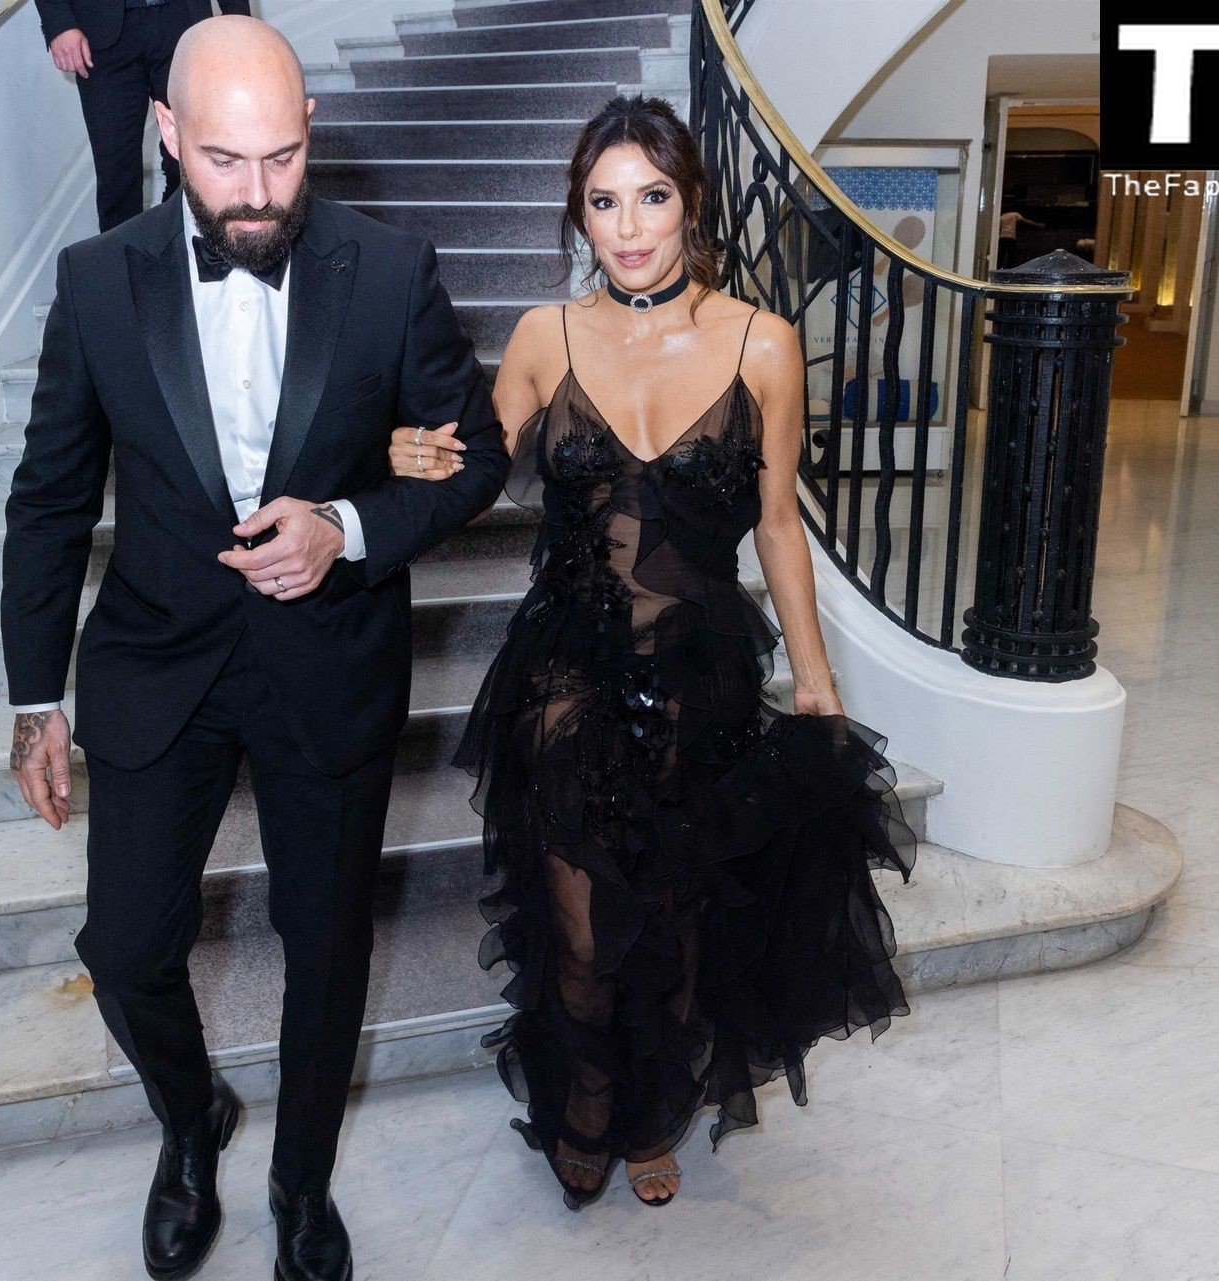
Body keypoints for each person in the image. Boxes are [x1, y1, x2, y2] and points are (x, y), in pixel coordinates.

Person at [0, 16, 507, 1280]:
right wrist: (32, 697)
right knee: (125, 949)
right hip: (156, 661)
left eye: (284, 158)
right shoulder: (97, 280)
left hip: (328, 662)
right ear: (167, 133)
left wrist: (347, 527)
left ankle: (300, 1187)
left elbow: (476, 458)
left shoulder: (387, 270)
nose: (260, 193)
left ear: (310, 132)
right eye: (226, 161)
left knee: (327, 952)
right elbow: (50, 499)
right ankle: (191, 1122)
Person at [391, 95, 919, 1210]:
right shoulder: (544, 337)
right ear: (578, 213)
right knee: (581, 932)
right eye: (603, 201)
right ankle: (589, 1100)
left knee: (676, 922)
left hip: (700, 683)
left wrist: (816, 681)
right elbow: (474, 465)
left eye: (652, 197)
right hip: (563, 676)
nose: (628, 227)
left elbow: (779, 523)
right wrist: (416, 456)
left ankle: (654, 1111)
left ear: (691, 202)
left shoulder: (763, 344)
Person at [38, 0, 252, 232]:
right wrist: (58, 23)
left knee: (190, 158)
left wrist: (239, 20)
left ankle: (180, 240)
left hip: (182, 20)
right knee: (115, 172)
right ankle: (123, 254)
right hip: (101, 35)